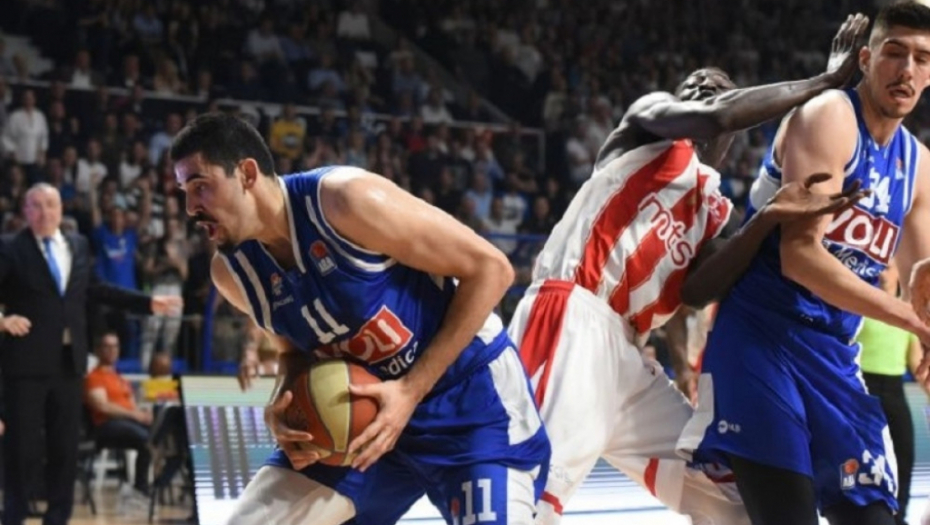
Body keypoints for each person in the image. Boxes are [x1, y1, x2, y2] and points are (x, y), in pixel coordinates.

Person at [507, 13, 870, 525]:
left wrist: (767, 218)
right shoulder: (646, 125)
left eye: (717, 85)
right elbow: (716, 116)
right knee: (526, 497)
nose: (701, 86)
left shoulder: (714, 209)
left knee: (733, 499)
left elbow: (698, 291)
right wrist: (824, 82)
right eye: (693, 83)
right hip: (573, 313)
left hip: (630, 354)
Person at [171, 113, 550, 525]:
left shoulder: (343, 201)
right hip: (358, 423)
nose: (191, 208)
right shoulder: (232, 273)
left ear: (246, 173)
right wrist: (282, 401)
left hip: (468, 403)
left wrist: (409, 391)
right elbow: (293, 353)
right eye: (184, 192)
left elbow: (492, 270)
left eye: (200, 186)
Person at [677, 3, 930, 525]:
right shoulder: (830, 114)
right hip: (762, 341)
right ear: (866, 59)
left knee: (876, 518)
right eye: (895, 52)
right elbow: (801, 258)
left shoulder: (919, 164)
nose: (907, 69)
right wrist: (912, 320)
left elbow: (921, 276)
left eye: (922, 58)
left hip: (834, 356)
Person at [0, 183, 180, 525]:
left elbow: (99, 289)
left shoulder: (78, 245)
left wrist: (147, 303)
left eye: (50, 204)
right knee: (22, 449)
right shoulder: (10, 247)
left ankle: (58, 517)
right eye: (36, 205)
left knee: (65, 448)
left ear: (60, 210)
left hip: (69, 364)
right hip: (25, 364)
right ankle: (14, 516)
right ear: (25, 211)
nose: (44, 211)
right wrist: (2, 320)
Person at [857, 263, 925, 525]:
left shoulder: (908, 313)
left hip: (895, 389)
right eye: (879, 268)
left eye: (888, 267)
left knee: (904, 454)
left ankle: (900, 517)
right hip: (863, 387)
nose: (883, 273)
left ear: (899, 272)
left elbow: (916, 363)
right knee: (866, 458)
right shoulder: (861, 307)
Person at [84, 330, 153, 498]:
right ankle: (141, 489)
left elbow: (132, 404)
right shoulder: (94, 377)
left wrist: (142, 414)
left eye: (115, 346)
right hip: (106, 426)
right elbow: (102, 406)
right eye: (107, 346)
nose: (112, 350)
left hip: (127, 423)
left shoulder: (119, 378)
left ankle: (156, 481)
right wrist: (134, 415)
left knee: (160, 430)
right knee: (147, 439)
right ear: (98, 350)